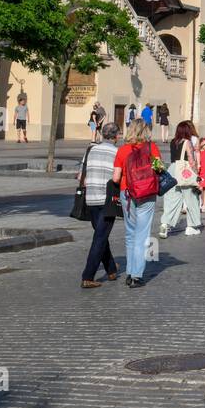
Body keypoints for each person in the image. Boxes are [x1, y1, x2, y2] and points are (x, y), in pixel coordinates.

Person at [112, 118, 160, 288]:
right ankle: (137, 276)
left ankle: (130, 272)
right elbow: (159, 168)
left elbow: (115, 177)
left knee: (130, 233)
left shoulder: (123, 150)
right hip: (146, 192)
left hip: (127, 193)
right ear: (146, 131)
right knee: (143, 234)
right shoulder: (151, 148)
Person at [77, 121, 121, 288]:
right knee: (100, 237)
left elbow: (81, 175)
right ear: (116, 136)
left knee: (101, 235)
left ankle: (110, 269)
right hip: (108, 200)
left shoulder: (91, 150)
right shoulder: (117, 152)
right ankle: (87, 276)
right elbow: (118, 177)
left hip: (91, 198)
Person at [160, 120, 202, 239]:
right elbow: (191, 160)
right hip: (184, 171)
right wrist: (196, 175)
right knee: (191, 198)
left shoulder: (173, 142)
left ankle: (165, 224)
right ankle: (191, 227)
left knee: (171, 199)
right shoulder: (187, 142)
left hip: (173, 169)